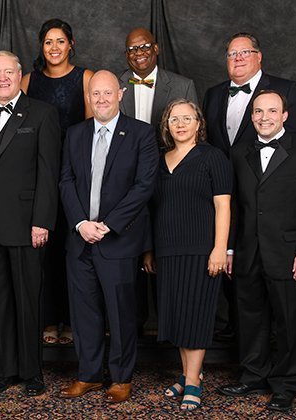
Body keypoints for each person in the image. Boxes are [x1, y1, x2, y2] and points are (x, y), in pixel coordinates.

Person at [218, 90, 296, 412]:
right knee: (250, 318)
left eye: (271, 111)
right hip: (248, 251)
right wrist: (229, 248)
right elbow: (235, 206)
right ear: (251, 116)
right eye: (258, 112)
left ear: (284, 116)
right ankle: (253, 374)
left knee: (289, 322)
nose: (264, 117)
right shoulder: (239, 152)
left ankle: (286, 383)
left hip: (288, 253)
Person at [202, 32, 296, 341]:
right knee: (232, 262)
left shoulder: (286, 89)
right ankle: (239, 330)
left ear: (259, 57)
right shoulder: (213, 94)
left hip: (271, 198)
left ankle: (274, 346)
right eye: (231, 54)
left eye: (245, 52)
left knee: (271, 280)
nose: (237, 58)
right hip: (225, 193)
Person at [0, 50, 61, 397]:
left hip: (26, 224)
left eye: (9, 72)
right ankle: (6, 369)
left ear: (20, 75)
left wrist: (42, 220)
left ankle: (32, 371)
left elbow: (49, 174)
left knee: (28, 300)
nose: (2, 78)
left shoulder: (43, 114)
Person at [58, 70, 158, 404]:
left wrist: (109, 225)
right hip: (80, 239)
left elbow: (144, 186)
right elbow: (66, 181)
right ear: (88, 98)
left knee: (120, 312)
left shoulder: (141, 134)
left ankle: (121, 378)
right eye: (95, 94)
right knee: (84, 312)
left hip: (119, 239)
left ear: (120, 95)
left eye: (107, 93)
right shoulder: (74, 134)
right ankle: (88, 375)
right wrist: (80, 224)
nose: (101, 99)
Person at [142, 99, 232, 411]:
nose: (180, 124)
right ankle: (186, 373)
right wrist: (150, 249)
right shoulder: (159, 159)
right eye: (173, 119)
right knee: (178, 316)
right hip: (167, 251)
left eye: (187, 118)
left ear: (198, 123)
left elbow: (223, 206)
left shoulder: (213, 157)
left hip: (200, 250)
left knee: (195, 316)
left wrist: (220, 248)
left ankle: (193, 381)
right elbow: (153, 209)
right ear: (166, 125)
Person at [118, 26, 198, 338]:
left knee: (167, 249)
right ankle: (133, 326)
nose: (138, 53)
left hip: (170, 178)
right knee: (131, 251)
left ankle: (171, 327)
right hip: (126, 183)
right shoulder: (115, 84)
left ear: (157, 48)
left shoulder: (182, 84)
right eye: (132, 49)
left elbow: (195, 134)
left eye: (144, 47)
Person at [20, 18, 94, 346]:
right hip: (39, 174)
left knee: (74, 248)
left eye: (60, 41)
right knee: (44, 250)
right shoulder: (27, 81)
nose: (54, 48)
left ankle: (73, 320)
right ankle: (49, 319)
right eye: (48, 42)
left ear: (71, 44)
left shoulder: (86, 78)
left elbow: (93, 131)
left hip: (76, 174)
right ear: (41, 45)